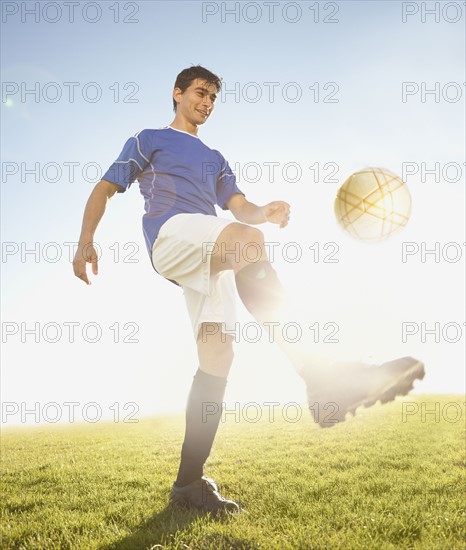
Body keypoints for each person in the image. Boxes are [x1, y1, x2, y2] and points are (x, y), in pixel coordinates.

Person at [73, 65, 425, 515]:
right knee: (246, 241)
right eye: (200, 93)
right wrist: (86, 240)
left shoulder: (216, 158)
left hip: (207, 254)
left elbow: (238, 205)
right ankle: (321, 376)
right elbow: (104, 188)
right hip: (172, 234)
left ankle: (188, 485)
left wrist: (266, 211)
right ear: (177, 93)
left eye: (213, 98)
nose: (206, 103)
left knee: (218, 357)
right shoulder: (149, 139)